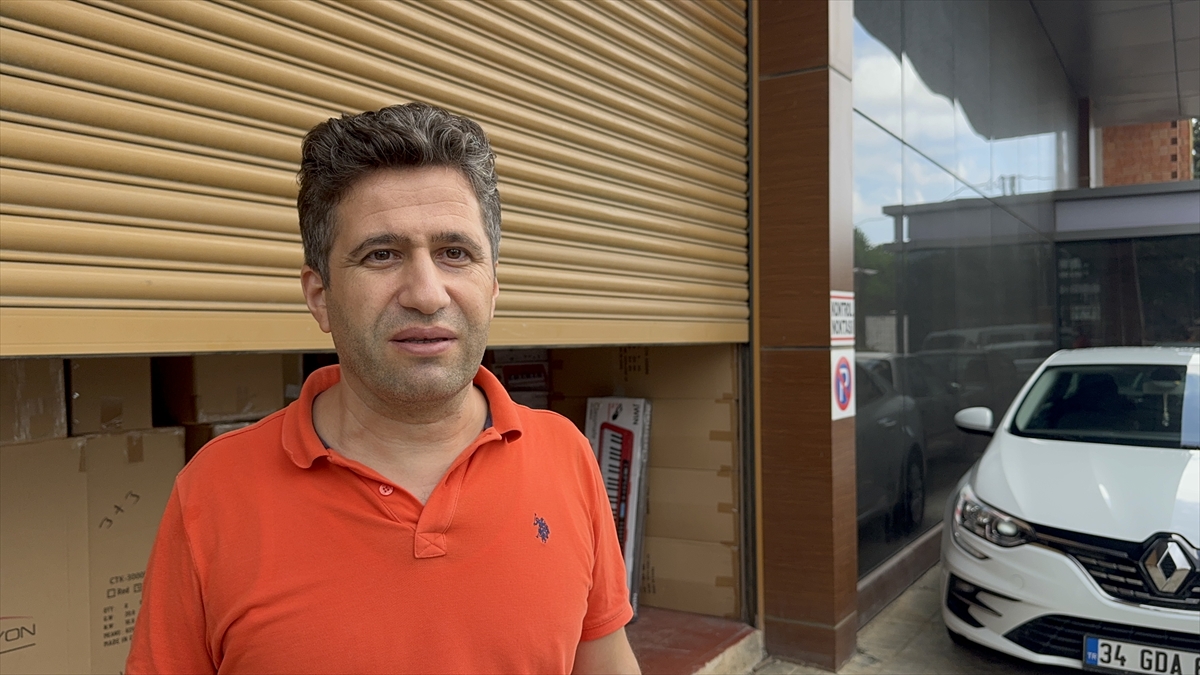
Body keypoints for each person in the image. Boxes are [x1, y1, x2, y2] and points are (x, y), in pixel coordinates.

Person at [126, 102, 640, 675]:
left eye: (455, 253)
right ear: (320, 296)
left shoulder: (566, 455)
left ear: (492, 286)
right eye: (382, 255)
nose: (426, 293)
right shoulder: (213, 492)